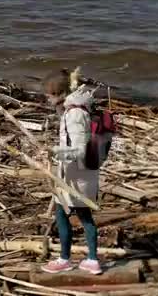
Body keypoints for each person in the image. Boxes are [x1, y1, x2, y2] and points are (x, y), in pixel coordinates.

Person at [41, 81, 102, 275]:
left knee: (64, 215)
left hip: (74, 175)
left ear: (60, 94)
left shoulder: (74, 114)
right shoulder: (81, 109)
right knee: (84, 216)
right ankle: (91, 260)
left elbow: (78, 150)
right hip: (84, 172)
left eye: (49, 95)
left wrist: (54, 153)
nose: (48, 99)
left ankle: (67, 259)